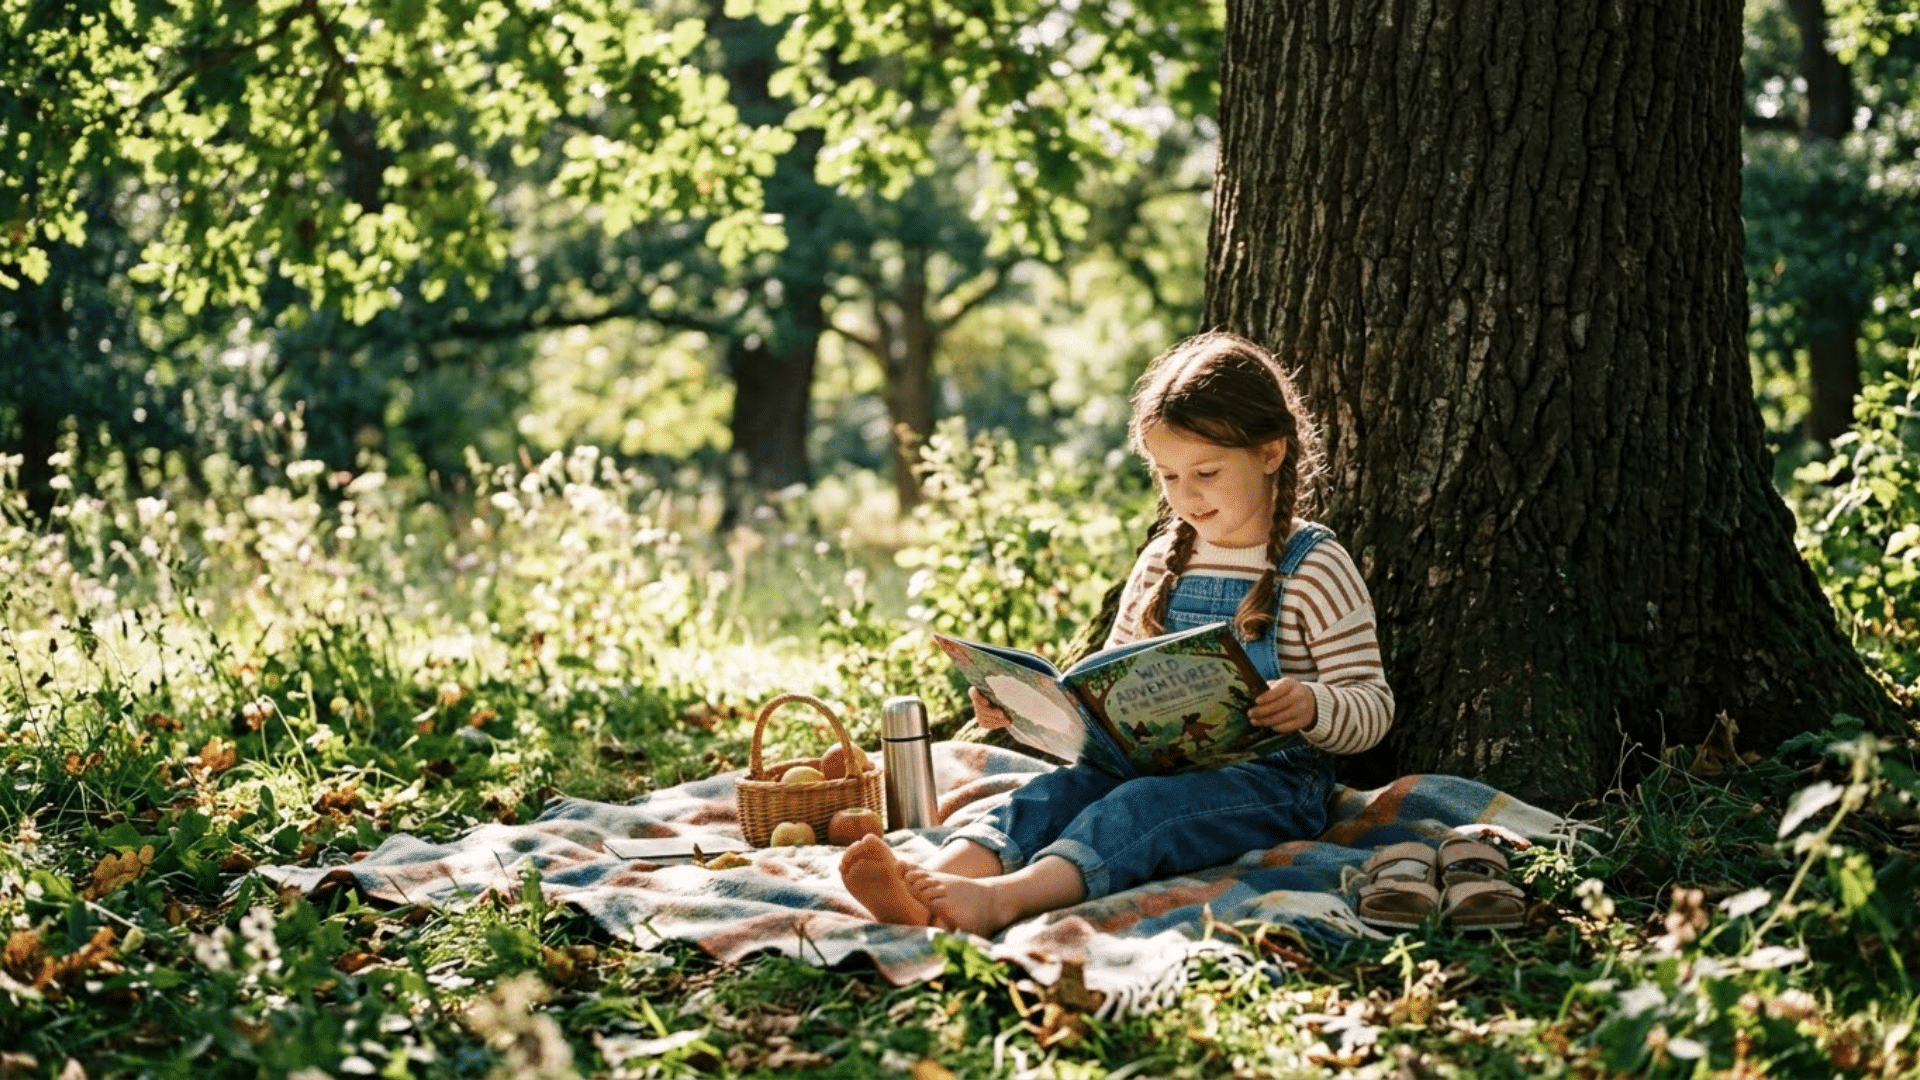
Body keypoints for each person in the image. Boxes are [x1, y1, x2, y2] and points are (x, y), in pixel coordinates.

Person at [840, 330, 1395, 937]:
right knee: (1057, 793)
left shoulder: (1313, 567)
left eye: (1205, 472)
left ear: (1269, 453)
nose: (1185, 495)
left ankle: (1006, 899)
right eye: (1168, 476)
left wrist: (1313, 704)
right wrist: (1029, 710)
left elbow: (1371, 706)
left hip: (1273, 783)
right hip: (1151, 762)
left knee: (1137, 811)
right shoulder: (1163, 562)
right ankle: (934, 879)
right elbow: (1111, 691)